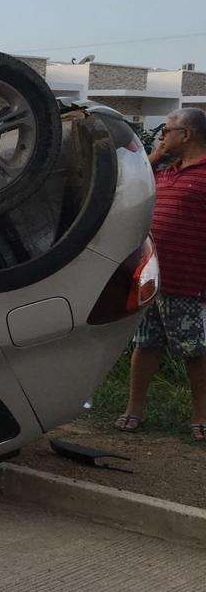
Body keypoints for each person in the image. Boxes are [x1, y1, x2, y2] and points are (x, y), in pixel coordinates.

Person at [118, 107, 206, 441]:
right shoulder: (165, 171)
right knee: (145, 344)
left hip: (187, 279)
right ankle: (134, 410)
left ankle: (200, 416)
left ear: (187, 135)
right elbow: (132, 184)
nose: (162, 136)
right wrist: (156, 156)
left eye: (167, 131)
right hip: (150, 279)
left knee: (193, 350)